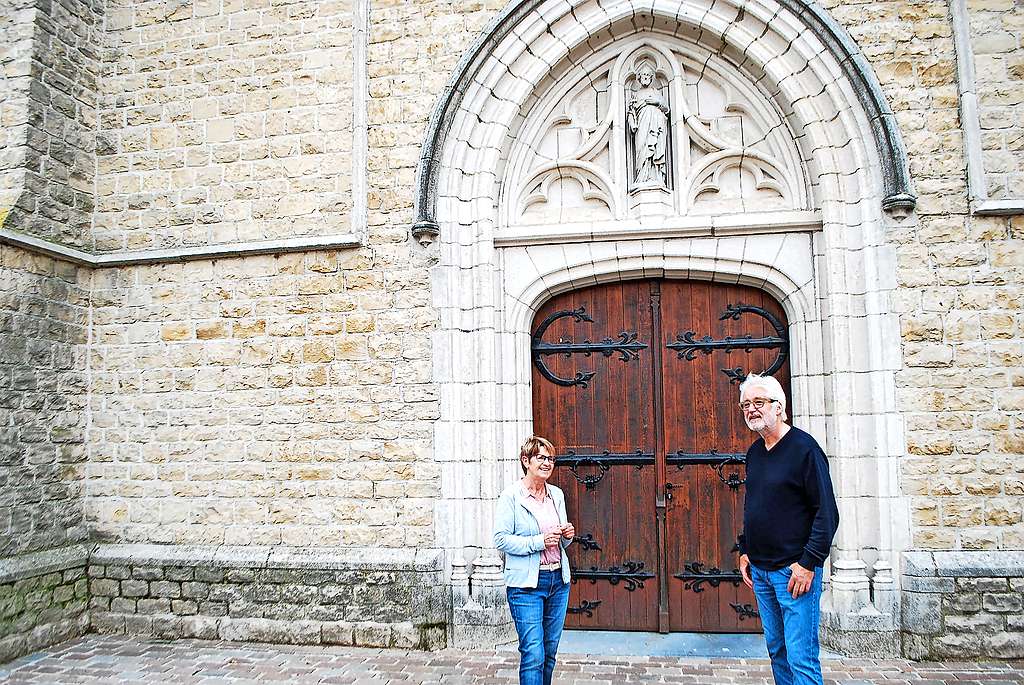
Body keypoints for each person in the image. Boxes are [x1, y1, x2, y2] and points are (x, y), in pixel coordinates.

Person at [736, 373, 839, 685]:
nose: (751, 410)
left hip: (794, 572)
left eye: (758, 402)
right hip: (763, 570)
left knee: (800, 656)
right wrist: (745, 550)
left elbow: (827, 513)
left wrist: (808, 564)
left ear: (779, 407)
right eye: (745, 405)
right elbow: (755, 505)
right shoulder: (755, 453)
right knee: (777, 651)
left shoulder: (804, 449)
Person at [493, 436, 575, 685]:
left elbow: (559, 542)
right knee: (533, 654)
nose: (547, 463)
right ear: (525, 461)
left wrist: (567, 536)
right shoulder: (511, 497)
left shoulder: (556, 495)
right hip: (526, 586)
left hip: (558, 581)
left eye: (550, 458)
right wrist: (538, 541)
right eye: (541, 458)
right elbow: (501, 540)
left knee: (549, 654)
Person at [627, 61, 670, 187]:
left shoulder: (656, 92)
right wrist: (632, 124)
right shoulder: (636, 94)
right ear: (639, 78)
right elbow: (631, 112)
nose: (645, 77)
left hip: (655, 125)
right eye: (643, 75)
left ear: (651, 78)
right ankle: (642, 177)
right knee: (642, 149)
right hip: (641, 126)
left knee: (654, 148)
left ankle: (656, 176)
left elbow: (666, 109)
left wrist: (656, 102)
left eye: (648, 75)